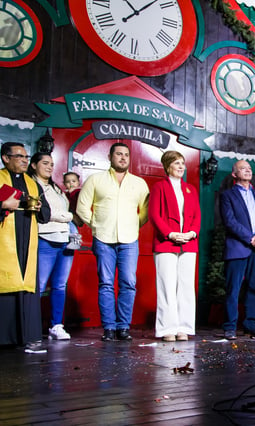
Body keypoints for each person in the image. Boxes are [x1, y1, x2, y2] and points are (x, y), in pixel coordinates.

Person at [76, 142, 150, 341]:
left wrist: (134, 226)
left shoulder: (139, 183)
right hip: (103, 239)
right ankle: (109, 328)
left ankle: (123, 327)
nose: (123, 157)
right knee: (106, 284)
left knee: (128, 283)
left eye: (126, 154)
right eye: (119, 154)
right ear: (110, 157)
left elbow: (145, 212)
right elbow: (82, 208)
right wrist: (97, 226)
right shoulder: (95, 179)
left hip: (129, 240)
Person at [0, 142, 51, 353]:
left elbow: (45, 213)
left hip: (27, 243)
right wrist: (2, 205)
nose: (24, 160)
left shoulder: (32, 183)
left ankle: (29, 337)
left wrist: (39, 207)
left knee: (27, 286)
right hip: (4, 242)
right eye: (18, 156)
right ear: (5, 158)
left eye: (25, 156)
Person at [148, 151, 201, 342]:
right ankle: (166, 329)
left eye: (182, 163)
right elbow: (154, 214)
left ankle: (184, 327)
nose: (181, 167)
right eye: (177, 163)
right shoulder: (159, 187)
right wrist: (170, 234)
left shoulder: (191, 189)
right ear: (167, 166)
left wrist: (192, 233)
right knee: (167, 286)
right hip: (165, 243)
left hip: (189, 243)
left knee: (186, 287)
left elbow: (197, 216)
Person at [219, 160, 255, 340]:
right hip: (238, 248)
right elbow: (229, 221)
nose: (248, 171)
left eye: (249, 168)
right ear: (234, 174)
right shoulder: (228, 195)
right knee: (233, 289)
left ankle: (251, 325)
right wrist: (251, 238)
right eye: (243, 168)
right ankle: (230, 327)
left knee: (253, 288)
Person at [27, 153, 76, 340]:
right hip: (45, 238)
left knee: (60, 285)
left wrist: (67, 218)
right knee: (38, 285)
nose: (49, 167)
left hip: (64, 239)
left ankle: (56, 325)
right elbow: (47, 214)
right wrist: (67, 216)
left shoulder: (56, 187)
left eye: (52, 164)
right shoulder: (31, 185)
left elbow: (63, 211)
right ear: (34, 165)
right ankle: (31, 326)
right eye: (45, 163)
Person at [62, 171, 83, 250]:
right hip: (68, 214)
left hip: (76, 214)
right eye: (68, 182)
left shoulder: (79, 192)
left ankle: (75, 238)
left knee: (71, 223)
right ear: (64, 184)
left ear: (78, 182)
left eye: (74, 181)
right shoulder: (64, 194)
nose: (71, 183)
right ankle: (71, 237)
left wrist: (72, 192)